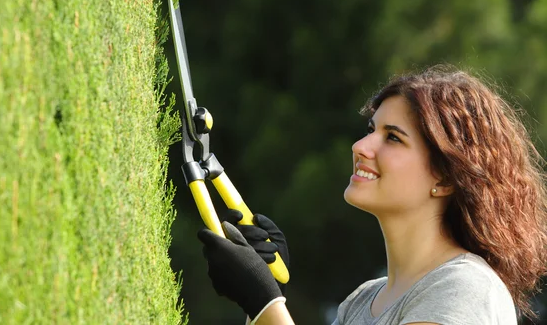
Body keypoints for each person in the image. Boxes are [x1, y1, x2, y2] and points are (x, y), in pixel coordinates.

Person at [198, 65, 547, 324]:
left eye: (393, 137)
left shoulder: (464, 289)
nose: (361, 146)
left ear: (445, 177)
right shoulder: (362, 301)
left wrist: (265, 303)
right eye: (370, 129)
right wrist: (266, 299)